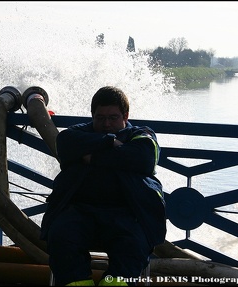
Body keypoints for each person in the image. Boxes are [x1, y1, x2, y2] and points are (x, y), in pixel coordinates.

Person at [40, 86, 166, 286]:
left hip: (128, 213)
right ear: (92, 116)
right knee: (61, 238)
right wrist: (110, 142)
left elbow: (144, 158)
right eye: (100, 118)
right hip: (80, 211)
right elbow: (64, 143)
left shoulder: (141, 135)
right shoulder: (76, 134)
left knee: (133, 247)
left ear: (126, 116)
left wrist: (92, 156)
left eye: (113, 118)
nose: (106, 123)